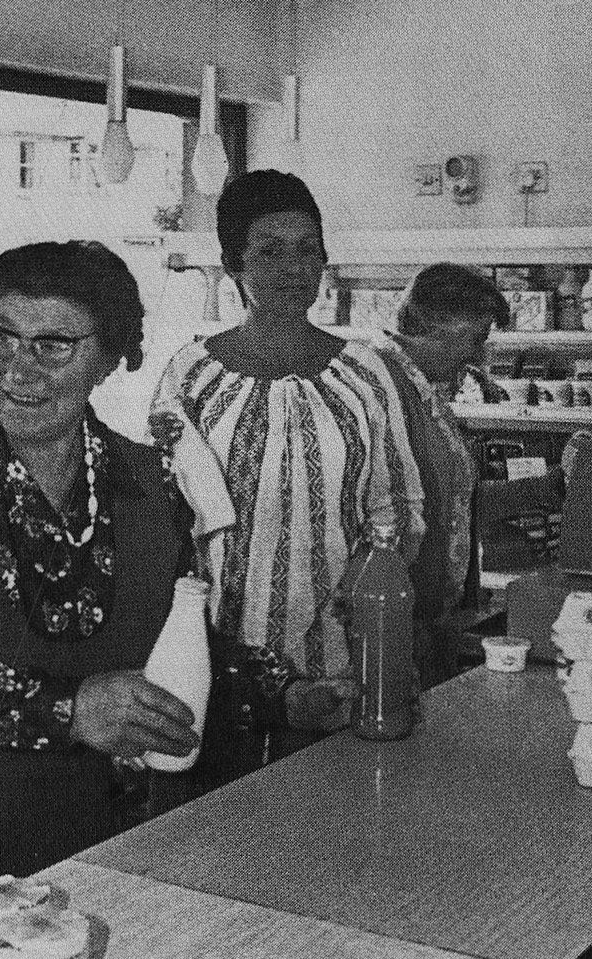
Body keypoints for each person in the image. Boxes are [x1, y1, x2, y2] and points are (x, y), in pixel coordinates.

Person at [0, 241, 348, 912]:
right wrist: (69, 707)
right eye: (1, 338)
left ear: (109, 358)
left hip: (73, 834)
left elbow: (175, 648)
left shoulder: (145, 479)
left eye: (54, 344)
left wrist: (290, 695)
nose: (19, 368)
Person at [151, 171, 423, 736]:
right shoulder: (191, 375)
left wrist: (374, 578)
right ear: (235, 265)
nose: (294, 269)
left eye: (308, 251)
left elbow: (395, 504)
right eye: (269, 253)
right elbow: (167, 514)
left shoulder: (366, 372)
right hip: (224, 655)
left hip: (345, 650)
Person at [371, 265, 509, 685]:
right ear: (432, 324)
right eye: (476, 338)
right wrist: (407, 622)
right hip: (395, 619)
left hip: (431, 618)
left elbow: (450, 502)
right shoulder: (379, 384)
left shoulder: (423, 390)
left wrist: (550, 487)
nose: (479, 356)